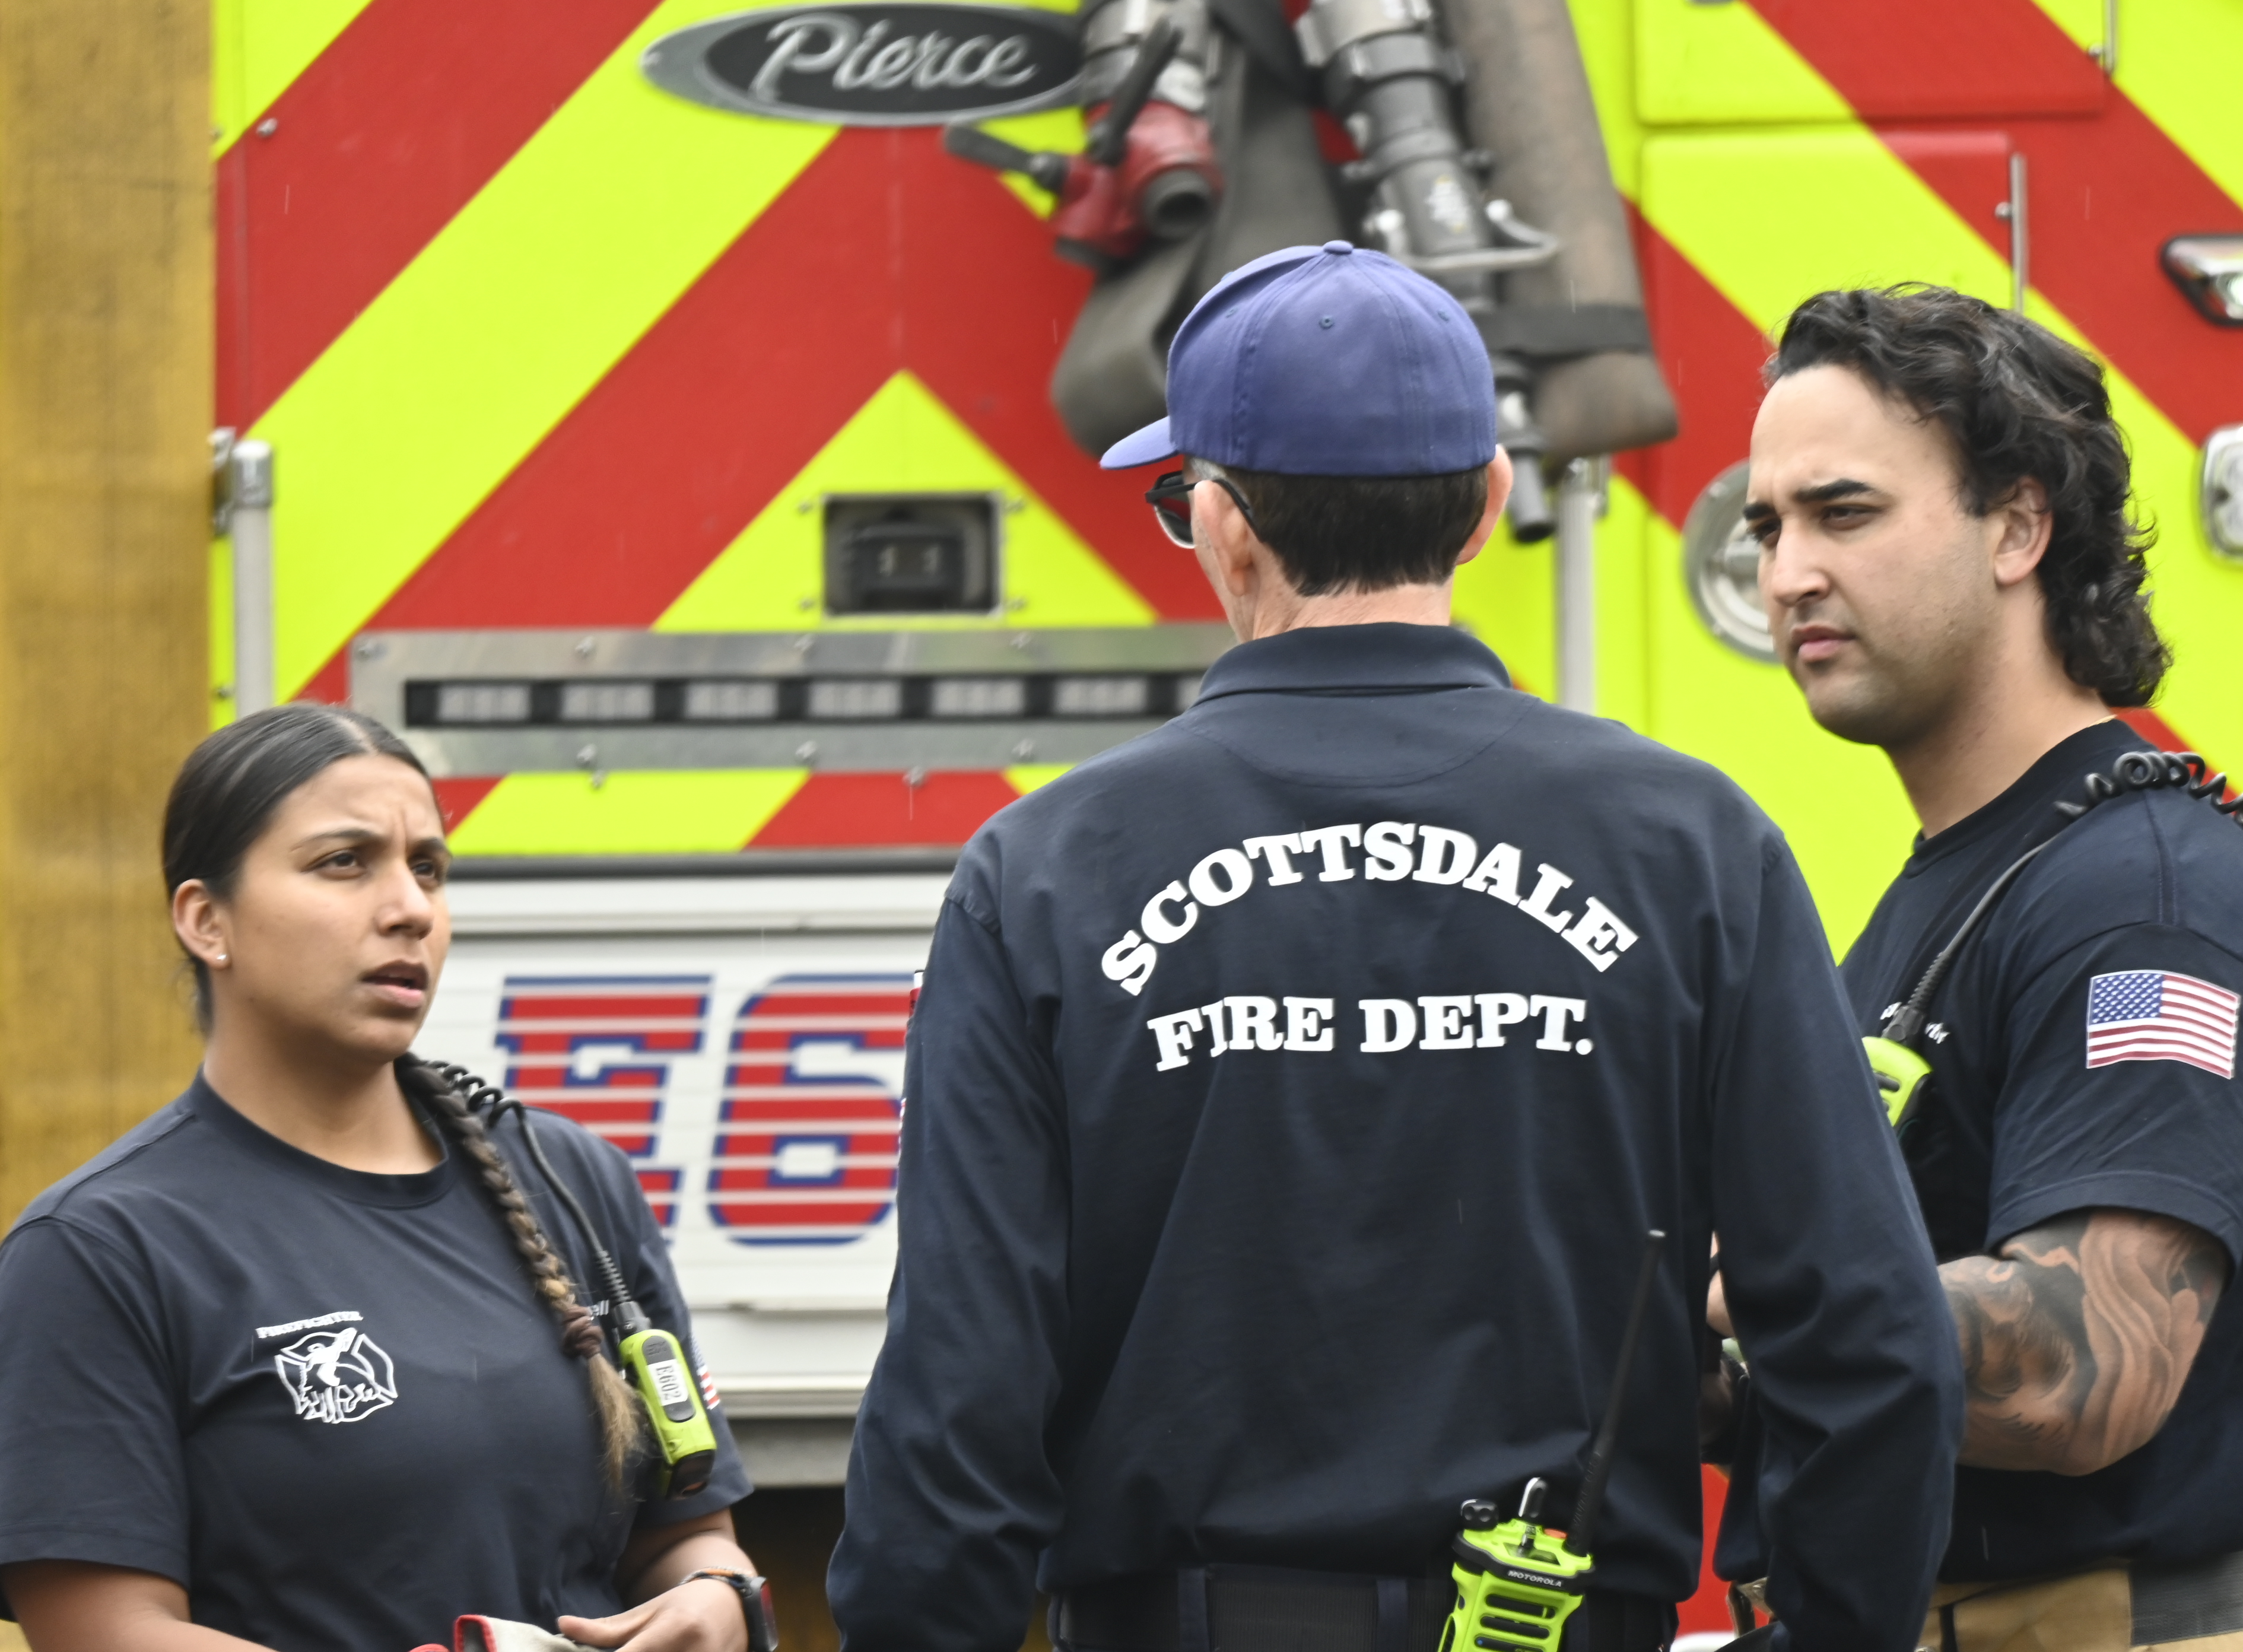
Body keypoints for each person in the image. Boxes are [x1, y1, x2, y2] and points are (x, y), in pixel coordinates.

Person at [828, 241, 1962, 1652]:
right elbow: (1870, 1340)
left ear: (1224, 525)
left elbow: (960, 1391)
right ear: (1486, 506)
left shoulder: (1048, 871)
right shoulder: (1692, 847)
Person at [1739, 284, 2243, 1652]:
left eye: (1844, 514)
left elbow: (2085, 1367)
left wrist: (1746, 1278)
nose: (1787, 575)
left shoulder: (2143, 906)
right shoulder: (1972, 882)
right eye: (1767, 529)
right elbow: (1840, 1368)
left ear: (2019, 527)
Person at [0, 706, 774, 1652]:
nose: (410, 908)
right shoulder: (99, 1249)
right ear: (207, 921)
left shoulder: (573, 1181)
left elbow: (691, 1533)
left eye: (429, 869)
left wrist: (715, 1596)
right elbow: (101, 1633)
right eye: (345, 862)